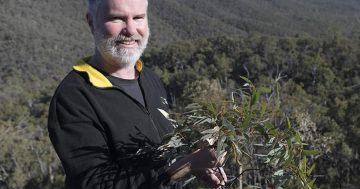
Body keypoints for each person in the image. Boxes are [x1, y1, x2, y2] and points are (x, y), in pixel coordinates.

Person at [47, 0, 227, 188]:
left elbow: (163, 155)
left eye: (138, 18)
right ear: (91, 22)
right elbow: (95, 183)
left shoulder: (150, 78)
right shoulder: (74, 97)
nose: (130, 30)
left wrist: (194, 163)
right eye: (117, 18)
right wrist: (184, 166)